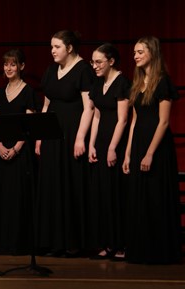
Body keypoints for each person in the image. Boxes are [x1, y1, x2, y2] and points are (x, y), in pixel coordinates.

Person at [122, 36, 182, 264]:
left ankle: (160, 252)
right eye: (134, 52)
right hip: (138, 145)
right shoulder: (137, 83)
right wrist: (128, 153)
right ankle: (141, 250)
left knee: (155, 198)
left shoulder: (162, 82)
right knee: (140, 199)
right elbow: (134, 121)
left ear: (152, 54)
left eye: (140, 52)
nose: (135, 55)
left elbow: (164, 122)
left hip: (156, 148)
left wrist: (149, 153)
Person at [35, 30, 95, 257]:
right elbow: (45, 105)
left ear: (69, 48)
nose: (52, 51)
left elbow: (88, 107)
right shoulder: (51, 70)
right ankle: (53, 241)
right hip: (51, 134)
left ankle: (73, 241)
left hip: (71, 133)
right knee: (52, 184)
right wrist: (40, 136)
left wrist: (80, 138)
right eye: (51, 46)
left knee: (70, 183)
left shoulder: (83, 70)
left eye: (57, 47)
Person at [0, 48, 37, 255]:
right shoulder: (1, 94)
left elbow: (29, 126)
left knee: (19, 196)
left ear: (21, 66)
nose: (8, 68)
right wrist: (0, 146)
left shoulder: (28, 92)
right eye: (6, 64)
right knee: (4, 197)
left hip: (21, 151)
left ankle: (19, 244)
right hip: (3, 152)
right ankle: (3, 243)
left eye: (13, 64)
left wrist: (16, 148)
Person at [87, 43, 131, 261]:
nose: (94, 66)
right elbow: (96, 116)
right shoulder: (98, 84)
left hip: (117, 143)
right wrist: (91, 144)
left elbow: (123, 119)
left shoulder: (122, 83)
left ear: (111, 61)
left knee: (116, 194)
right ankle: (106, 243)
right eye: (92, 62)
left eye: (98, 62)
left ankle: (120, 244)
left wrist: (113, 148)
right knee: (102, 194)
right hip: (102, 142)